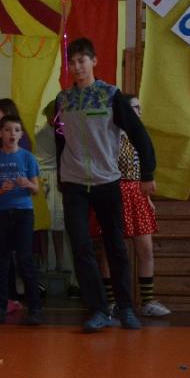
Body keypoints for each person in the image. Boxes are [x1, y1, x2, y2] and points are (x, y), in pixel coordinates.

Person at [55, 37, 156, 333]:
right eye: (72, 62)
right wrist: (61, 175)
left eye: (82, 61)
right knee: (81, 245)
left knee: (115, 245)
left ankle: (126, 308)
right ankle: (98, 309)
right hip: (74, 182)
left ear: (94, 61)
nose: (77, 67)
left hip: (106, 180)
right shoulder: (63, 100)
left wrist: (147, 173)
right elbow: (60, 138)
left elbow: (138, 133)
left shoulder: (111, 95)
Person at [97, 95, 170, 318]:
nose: (138, 112)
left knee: (145, 248)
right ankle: (111, 302)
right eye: (134, 108)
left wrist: (147, 198)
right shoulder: (111, 136)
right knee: (110, 249)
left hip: (138, 194)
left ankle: (147, 301)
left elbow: (142, 171)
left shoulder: (140, 137)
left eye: (140, 108)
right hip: (114, 192)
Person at [0, 114, 42, 325]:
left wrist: (27, 183)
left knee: (25, 260)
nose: (12, 134)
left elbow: (36, 189)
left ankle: (35, 309)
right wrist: (1, 190)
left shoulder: (27, 157)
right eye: (8, 130)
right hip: (0, 214)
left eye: (16, 130)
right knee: (1, 261)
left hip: (23, 213)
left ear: (21, 134)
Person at [34, 101, 66, 272]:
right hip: (43, 178)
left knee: (57, 223)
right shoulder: (41, 131)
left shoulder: (62, 132)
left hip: (55, 177)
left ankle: (58, 261)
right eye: (50, 115)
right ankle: (46, 260)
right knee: (43, 224)